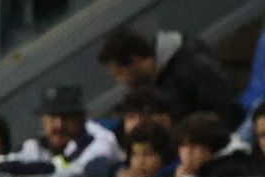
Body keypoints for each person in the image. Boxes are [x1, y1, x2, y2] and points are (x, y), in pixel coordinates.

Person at [97, 26, 243, 125]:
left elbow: (225, 109)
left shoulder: (192, 66)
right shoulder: (151, 82)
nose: (120, 81)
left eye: (120, 73)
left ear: (135, 60)